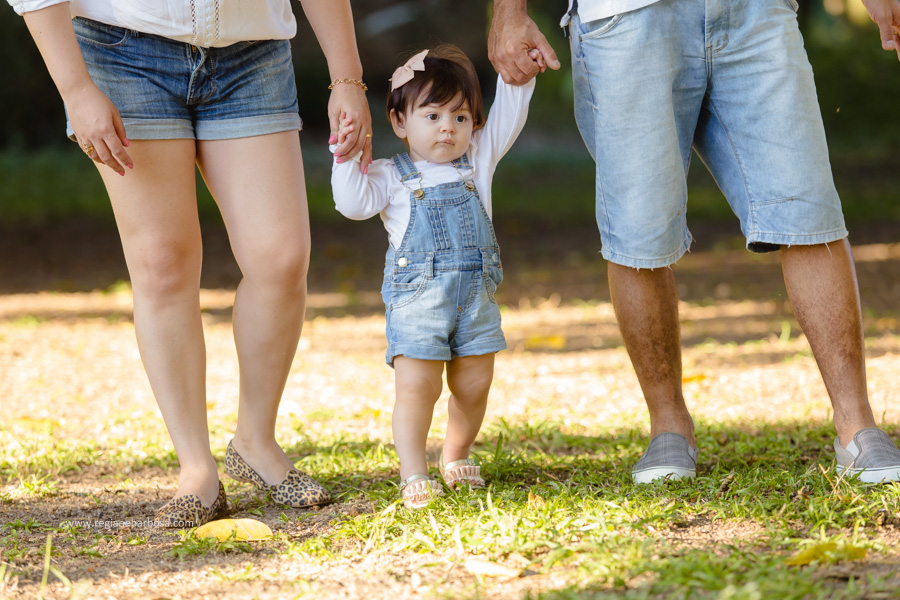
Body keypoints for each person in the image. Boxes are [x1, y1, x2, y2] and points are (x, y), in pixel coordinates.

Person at [487, 0, 900, 484]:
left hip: (756, 10)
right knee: (639, 232)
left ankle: (857, 427)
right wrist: (509, 12)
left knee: (809, 211)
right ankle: (668, 427)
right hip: (626, 16)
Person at [9, 0, 372, 526]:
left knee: (280, 257)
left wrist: (347, 77)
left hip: (252, 52)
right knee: (162, 264)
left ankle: (255, 441)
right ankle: (197, 471)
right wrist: (76, 89)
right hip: (123, 51)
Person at [330, 44, 538, 508]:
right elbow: (352, 204)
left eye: (460, 117)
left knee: (474, 384)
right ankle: (413, 471)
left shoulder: (477, 161)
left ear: (474, 125)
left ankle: (456, 453)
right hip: (418, 303)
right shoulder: (389, 176)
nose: (448, 126)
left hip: (475, 301)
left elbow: (510, 112)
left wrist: (520, 72)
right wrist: (346, 155)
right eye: (433, 115)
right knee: (417, 387)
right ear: (399, 122)